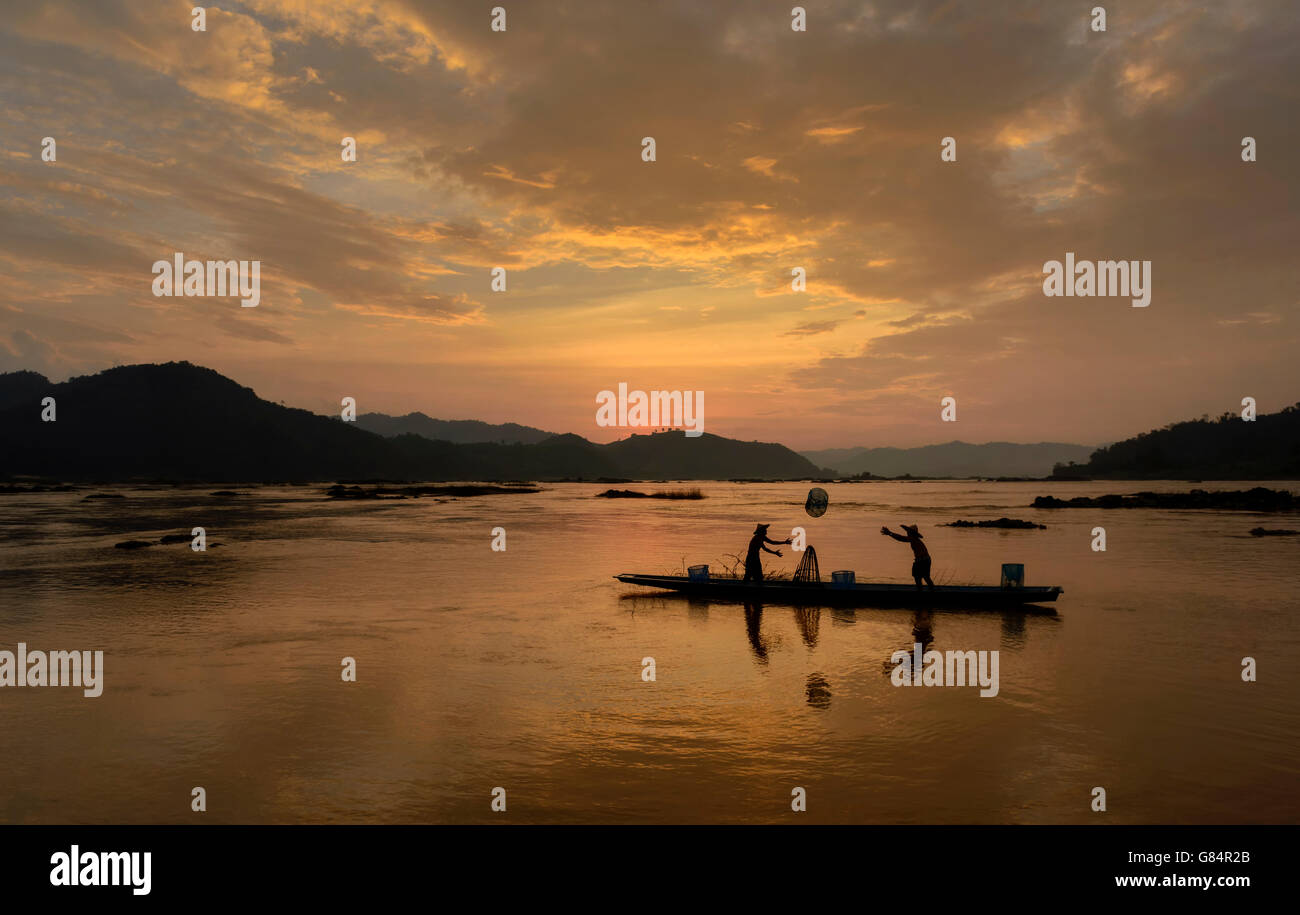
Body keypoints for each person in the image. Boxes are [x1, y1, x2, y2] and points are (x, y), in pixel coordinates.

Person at [881, 523, 934, 589]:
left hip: (922, 561)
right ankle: (931, 590)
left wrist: (890, 533)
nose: (907, 533)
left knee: (918, 577)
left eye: (908, 532)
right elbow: (901, 538)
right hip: (925, 560)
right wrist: (890, 533)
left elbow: (901, 538)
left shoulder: (913, 539)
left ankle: (923, 590)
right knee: (925, 577)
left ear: (912, 533)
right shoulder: (915, 540)